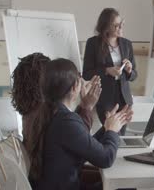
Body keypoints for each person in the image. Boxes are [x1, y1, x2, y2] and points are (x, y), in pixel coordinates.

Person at [32, 58, 133, 190]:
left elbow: (85, 144)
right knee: (126, 187)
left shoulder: (52, 114)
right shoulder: (65, 121)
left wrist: (107, 127)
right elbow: (106, 159)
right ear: (75, 87)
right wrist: (112, 131)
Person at [83, 8, 137, 131]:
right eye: (116, 25)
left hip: (125, 98)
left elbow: (134, 75)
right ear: (106, 26)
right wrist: (107, 70)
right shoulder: (93, 43)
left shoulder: (127, 44)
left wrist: (129, 70)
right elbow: (86, 74)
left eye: (121, 23)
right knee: (110, 132)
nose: (121, 27)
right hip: (105, 98)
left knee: (121, 136)